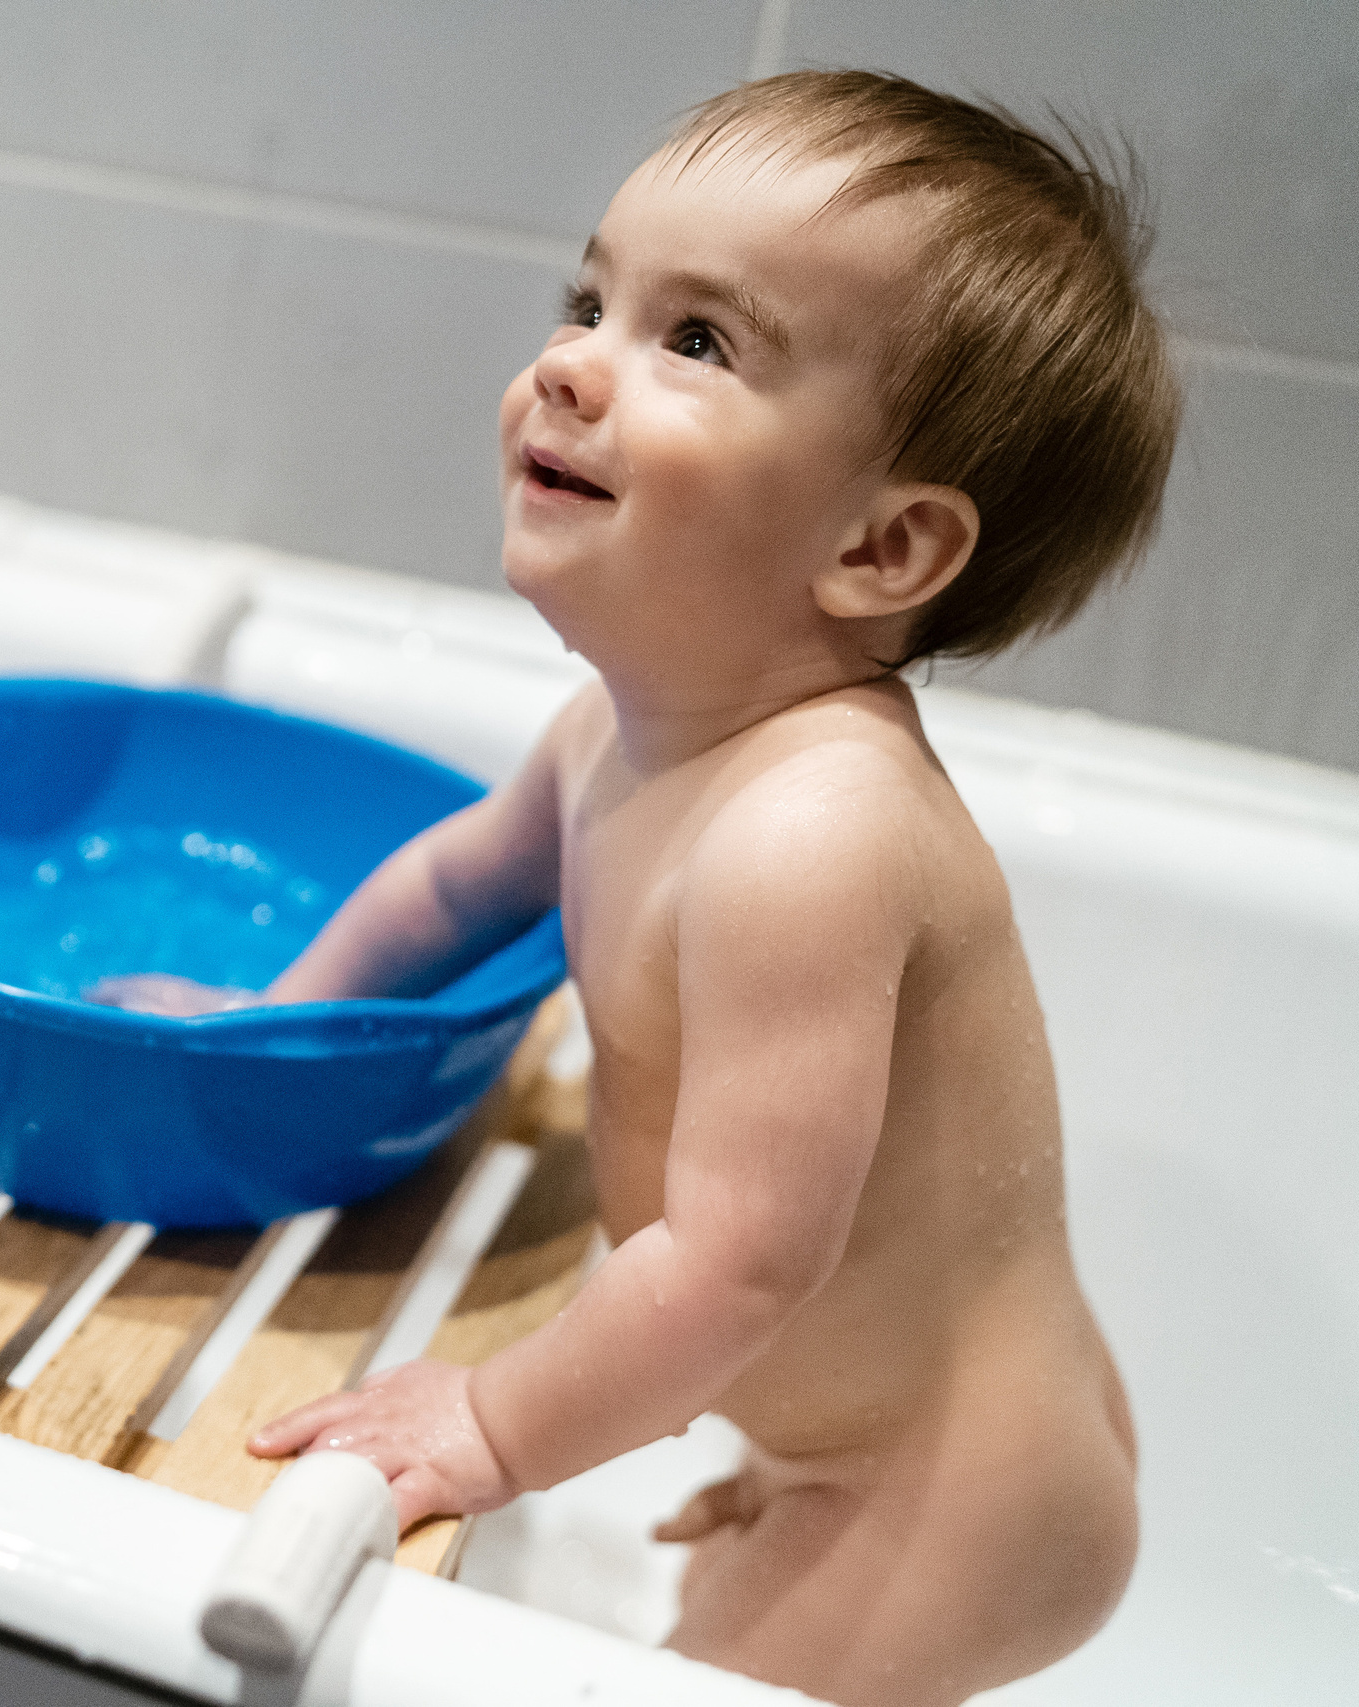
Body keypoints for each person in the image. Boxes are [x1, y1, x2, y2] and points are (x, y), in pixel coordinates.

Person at [95, 71, 1177, 1707]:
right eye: (591, 298)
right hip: (865, 1429)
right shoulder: (615, 727)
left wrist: (493, 1421)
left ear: (883, 552)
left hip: (956, 1492)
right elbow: (450, 888)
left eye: (696, 342)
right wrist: (271, 1023)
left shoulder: (812, 833)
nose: (571, 362)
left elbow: (743, 1261)